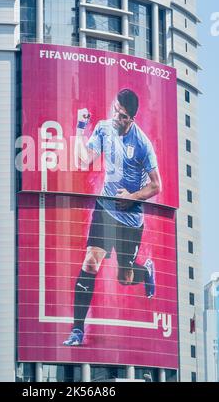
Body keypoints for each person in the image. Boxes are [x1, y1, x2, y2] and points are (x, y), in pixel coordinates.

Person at [63, 89, 162, 347]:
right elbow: (84, 160)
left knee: (125, 278)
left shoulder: (142, 144)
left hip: (130, 218)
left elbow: (156, 186)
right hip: (105, 208)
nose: (117, 118)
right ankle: (77, 330)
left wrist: (132, 196)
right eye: (115, 111)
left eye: (123, 116)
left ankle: (145, 269)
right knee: (90, 263)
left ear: (132, 119)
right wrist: (80, 128)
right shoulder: (104, 128)